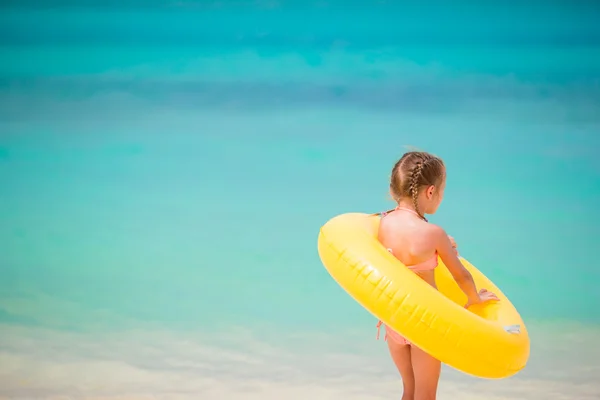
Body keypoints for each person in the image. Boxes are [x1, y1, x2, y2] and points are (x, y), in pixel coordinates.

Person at [376, 151, 499, 400]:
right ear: (430, 192)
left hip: (395, 320)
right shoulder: (433, 233)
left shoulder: (382, 223)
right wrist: (474, 298)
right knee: (426, 395)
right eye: (442, 192)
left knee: (408, 391)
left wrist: (440, 247)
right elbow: (461, 275)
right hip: (425, 323)